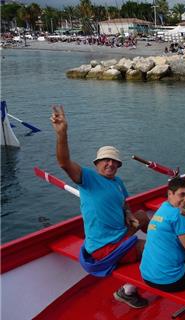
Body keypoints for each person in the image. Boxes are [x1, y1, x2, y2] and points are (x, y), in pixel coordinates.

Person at [50, 105, 150, 309]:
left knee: (143, 216)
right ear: (97, 163)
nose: (111, 164)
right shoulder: (87, 178)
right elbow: (63, 162)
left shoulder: (118, 183)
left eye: (114, 162)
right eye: (106, 160)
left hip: (120, 233)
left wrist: (129, 213)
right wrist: (62, 134)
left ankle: (159, 235)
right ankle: (127, 292)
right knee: (154, 250)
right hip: (105, 247)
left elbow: (124, 204)